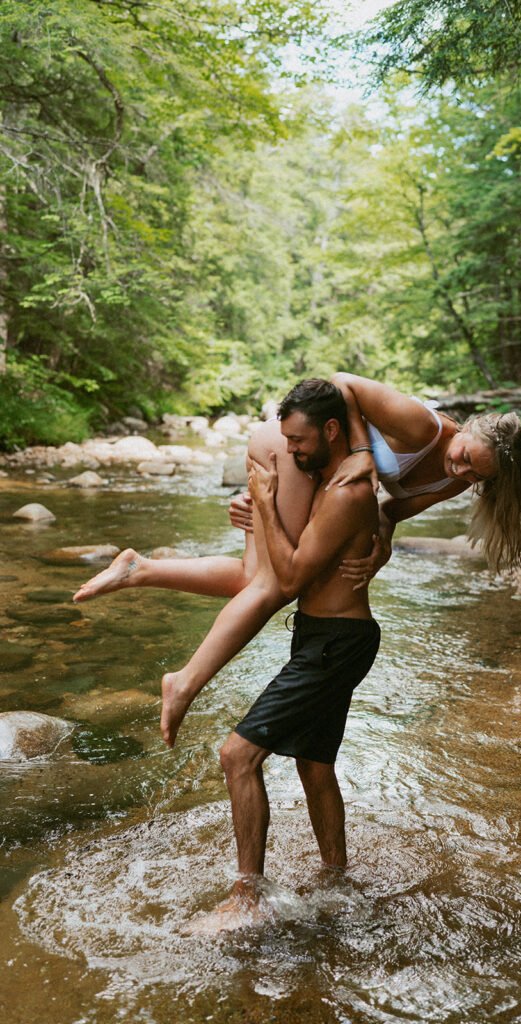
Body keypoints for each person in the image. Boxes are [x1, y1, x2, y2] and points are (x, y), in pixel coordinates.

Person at [74, 373, 521, 747]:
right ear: (467, 431)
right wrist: (360, 451)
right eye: (467, 457)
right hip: (294, 445)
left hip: (307, 465)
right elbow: (340, 382)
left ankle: (140, 569)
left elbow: (389, 511)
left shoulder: (456, 479)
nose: (463, 471)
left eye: (478, 476)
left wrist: (384, 541)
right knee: (276, 586)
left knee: (252, 578)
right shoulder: (423, 428)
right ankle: (185, 683)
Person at [183, 380, 380, 934]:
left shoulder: (345, 493)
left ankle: (247, 897)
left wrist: (266, 502)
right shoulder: (333, 476)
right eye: (286, 440)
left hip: (336, 643)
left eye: (299, 440)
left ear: (332, 431)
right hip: (324, 636)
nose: (291, 451)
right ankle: (337, 880)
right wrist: (252, 509)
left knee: (237, 756)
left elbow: (290, 577)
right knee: (314, 765)